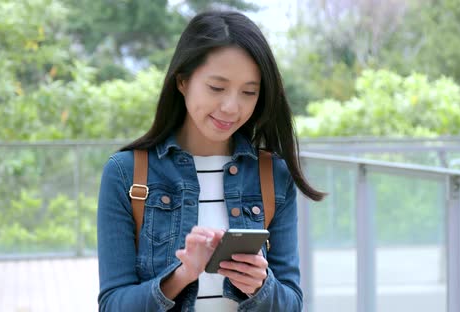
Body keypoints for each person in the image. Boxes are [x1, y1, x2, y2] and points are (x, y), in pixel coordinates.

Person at [97, 10, 324, 311]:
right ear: (182, 81)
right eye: (217, 88)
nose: (231, 107)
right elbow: (113, 305)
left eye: (249, 92)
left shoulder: (272, 175)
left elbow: (292, 304)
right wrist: (181, 276)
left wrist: (260, 285)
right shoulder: (127, 174)